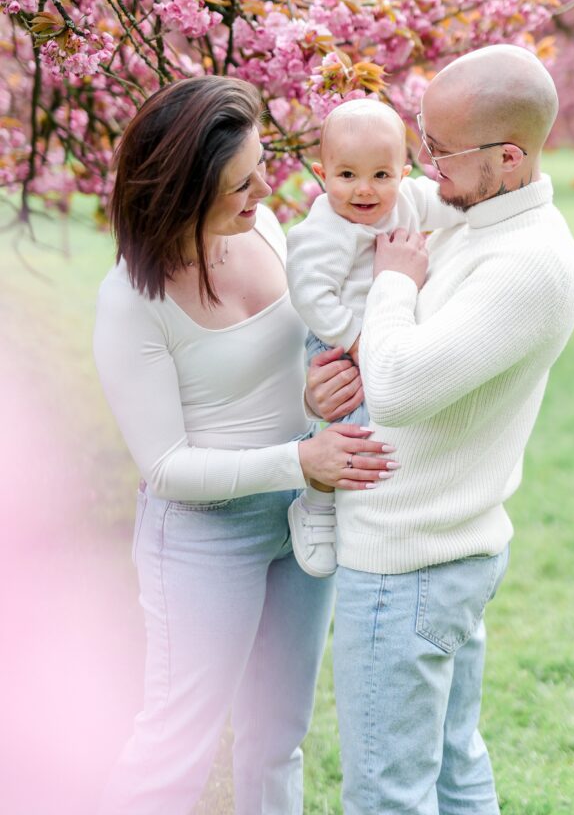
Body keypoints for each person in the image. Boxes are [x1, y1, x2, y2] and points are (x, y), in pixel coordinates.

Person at [92, 75, 397, 815]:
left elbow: (282, 365)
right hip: (203, 539)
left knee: (276, 739)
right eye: (242, 182)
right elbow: (164, 468)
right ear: (184, 191)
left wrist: (315, 393)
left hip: (301, 518)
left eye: (261, 165)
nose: (268, 185)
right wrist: (299, 457)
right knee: (176, 746)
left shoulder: (261, 228)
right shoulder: (133, 302)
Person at [307, 45, 574, 815]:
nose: (424, 169)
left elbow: (395, 387)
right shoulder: (478, 213)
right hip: (440, 549)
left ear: (507, 156)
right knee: (453, 771)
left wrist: (394, 283)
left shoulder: (526, 262)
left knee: (387, 793)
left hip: (410, 562)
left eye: (439, 151)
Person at [286, 98, 465, 577]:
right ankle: (317, 504)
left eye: (381, 176)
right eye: (347, 176)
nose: (364, 190)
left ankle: (380, 500)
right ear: (323, 174)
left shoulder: (406, 201)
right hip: (339, 343)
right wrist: (355, 339)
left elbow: (454, 205)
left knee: (394, 423)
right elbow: (311, 296)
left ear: (402, 173)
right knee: (350, 430)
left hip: (388, 335)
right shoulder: (324, 231)